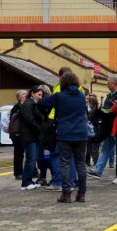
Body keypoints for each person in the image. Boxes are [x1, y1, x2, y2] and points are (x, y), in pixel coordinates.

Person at [38, 72, 88, 203]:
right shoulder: (82, 96)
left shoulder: (59, 96)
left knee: (64, 163)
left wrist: (45, 114)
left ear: (63, 83)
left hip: (64, 132)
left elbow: (41, 104)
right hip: (81, 133)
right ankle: (81, 194)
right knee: (81, 165)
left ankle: (66, 195)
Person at [88, 76, 117, 180]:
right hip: (108, 126)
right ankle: (98, 171)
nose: (107, 85)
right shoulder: (110, 95)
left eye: (108, 83)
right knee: (106, 149)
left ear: (113, 83)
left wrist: (103, 109)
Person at [19, 86, 44, 190]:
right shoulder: (28, 104)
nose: (40, 97)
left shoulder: (33, 104)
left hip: (34, 136)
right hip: (29, 136)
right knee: (31, 159)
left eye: (41, 95)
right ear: (32, 93)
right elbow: (30, 120)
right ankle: (26, 182)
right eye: (39, 95)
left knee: (32, 159)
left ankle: (28, 180)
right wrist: (40, 129)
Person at [8, 90, 28, 180]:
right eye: (25, 95)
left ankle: (29, 171)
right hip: (17, 134)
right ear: (21, 97)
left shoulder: (25, 106)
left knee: (26, 153)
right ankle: (18, 172)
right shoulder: (17, 107)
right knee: (19, 153)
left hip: (23, 133)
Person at [86, 94, 100, 167]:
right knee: (91, 148)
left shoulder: (95, 110)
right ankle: (95, 163)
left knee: (94, 149)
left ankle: (96, 163)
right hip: (91, 131)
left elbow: (94, 120)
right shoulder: (90, 109)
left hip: (94, 131)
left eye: (89, 101)